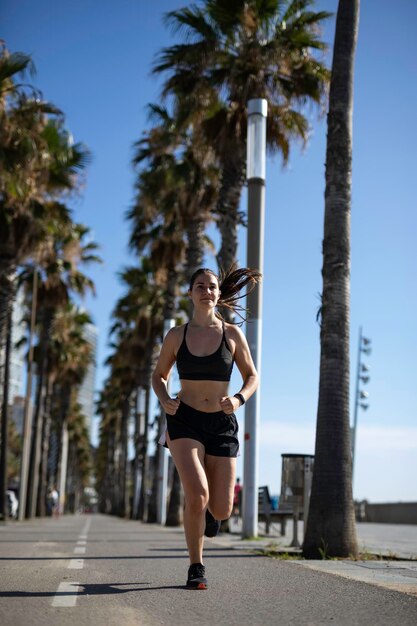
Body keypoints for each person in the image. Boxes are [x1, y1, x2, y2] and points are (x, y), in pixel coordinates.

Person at [152, 266, 260, 589]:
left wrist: (239, 399)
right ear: (190, 293)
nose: (206, 291)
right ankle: (196, 566)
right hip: (184, 419)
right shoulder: (176, 335)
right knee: (197, 494)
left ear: (218, 293)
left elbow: (253, 376)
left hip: (222, 422)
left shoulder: (232, 334)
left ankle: (210, 516)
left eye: (211, 286)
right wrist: (165, 399)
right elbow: (158, 376)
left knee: (223, 508)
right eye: (199, 286)